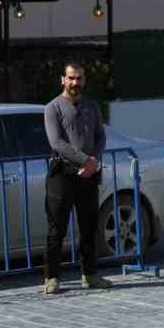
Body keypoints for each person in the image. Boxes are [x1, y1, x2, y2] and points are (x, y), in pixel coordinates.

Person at [43, 61, 111, 294]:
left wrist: (94, 161)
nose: (75, 82)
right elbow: (57, 142)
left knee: (89, 228)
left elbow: (101, 137)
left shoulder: (92, 106)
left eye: (79, 78)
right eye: (71, 78)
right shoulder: (53, 107)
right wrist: (85, 160)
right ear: (63, 79)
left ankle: (90, 275)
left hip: (88, 175)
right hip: (62, 175)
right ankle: (52, 278)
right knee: (57, 229)